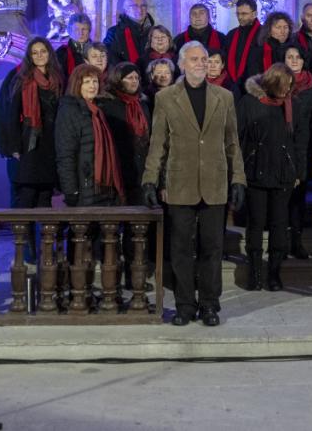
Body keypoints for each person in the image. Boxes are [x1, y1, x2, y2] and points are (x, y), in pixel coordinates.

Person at [141, 41, 246, 327]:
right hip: (180, 183)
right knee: (181, 250)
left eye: (204, 59)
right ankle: (185, 305)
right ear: (182, 64)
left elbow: (232, 142)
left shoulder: (224, 97)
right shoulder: (165, 98)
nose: (201, 63)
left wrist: (238, 179)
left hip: (214, 182)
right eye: (195, 59)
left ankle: (210, 304)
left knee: (212, 248)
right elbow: (158, 143)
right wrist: (150, 179)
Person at [238, 64, 304, 291]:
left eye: (290, 86)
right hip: (255, 170)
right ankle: (255, 273)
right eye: (284, 85)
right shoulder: (249, 102)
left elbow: (299, 140)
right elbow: (237, 136)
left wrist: (298, 171)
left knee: (279, 222)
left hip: (283, 172)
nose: (287, 90)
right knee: (256, 222)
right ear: (273, 82)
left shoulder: (293, 104)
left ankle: (274, 273)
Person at [0, 37, 65, 212]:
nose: (39, 56)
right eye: (35, 53)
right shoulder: (22, 79)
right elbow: (11, 115)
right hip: (29, 143)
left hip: (50, 144)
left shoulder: (57, 78)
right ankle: (24, 232)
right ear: (29, 56)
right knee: (26, 196)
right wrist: (14, 147)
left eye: (43, 51)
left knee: (45, 197)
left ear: (49, 53)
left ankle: (43, 231)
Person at [55, 63, 126, 207]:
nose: (92, 86)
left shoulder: (99, 110)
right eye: (86, 82)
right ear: (77, 85)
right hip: (84, 187)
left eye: (95, 81)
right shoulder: (69, 111)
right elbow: (66, 154)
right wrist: (71, 191)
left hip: (105, 187)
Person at [100, 62, 153, 205]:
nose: (134, 81)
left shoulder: (142, 104)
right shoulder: (108, 105)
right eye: (129, 78)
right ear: (118, 79)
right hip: (118, 169)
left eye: (136, 78)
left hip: (140, 169)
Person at [283, 44, 312, 259]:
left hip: (303, 147)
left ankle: (297, 242)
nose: (294, 60)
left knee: (298, 198)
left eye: (298, 57)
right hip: (281, 146)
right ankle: (280, 243)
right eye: (290, 57)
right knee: (281, 199)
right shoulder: (276, 83)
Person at [103, 0, 154, 69]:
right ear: (126, 10)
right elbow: (110, 57)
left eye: (143, 6)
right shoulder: (114, 33)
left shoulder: (154, 32)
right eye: (135, 6)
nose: (140, 9)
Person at [225, 0, 262, 94]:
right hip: (233, 87)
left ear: (255, 14)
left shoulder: (264, 34)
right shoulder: (231, 34)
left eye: (244, 14)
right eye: (238, 14)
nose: (240, 17)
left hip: (256, 87)